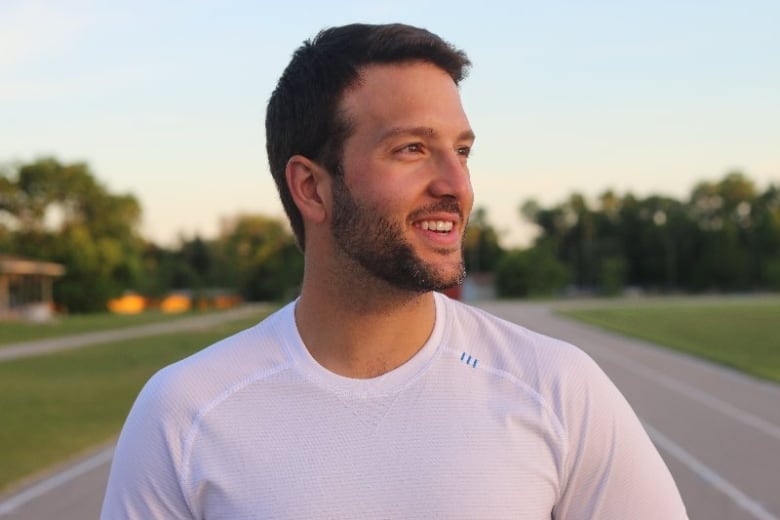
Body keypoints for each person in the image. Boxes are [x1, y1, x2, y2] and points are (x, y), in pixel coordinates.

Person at [101, 23, 688, 519]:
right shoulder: (185, 412)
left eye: (462, 151)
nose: (456, 185)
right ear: (311, 187)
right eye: (411, 148)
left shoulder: (558, 388)